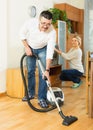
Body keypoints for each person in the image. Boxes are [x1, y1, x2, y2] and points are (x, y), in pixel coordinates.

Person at [19, 10, 56, 108]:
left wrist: (47, 70)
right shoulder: (31, 23)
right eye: (43, 23)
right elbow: (21, 34)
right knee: (30, 71)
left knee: (43, 74)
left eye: (48, 24)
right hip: (30, 47)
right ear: (39, 20)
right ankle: (31, 94)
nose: (45, 26)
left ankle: (41, 98)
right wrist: (27, 47)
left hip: (43, 49)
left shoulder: (52, 32)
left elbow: (50, 51)